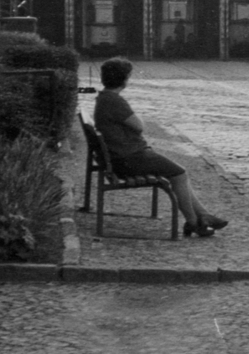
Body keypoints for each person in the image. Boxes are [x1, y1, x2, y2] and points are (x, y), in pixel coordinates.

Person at [92, 57, 227, 237]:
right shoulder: (115, 101)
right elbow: (139, 126)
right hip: (129, 158)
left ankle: (203, 216)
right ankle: (193, 222)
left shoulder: (104, 98)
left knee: (179, 173)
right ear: (124, 79)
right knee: (179, 174)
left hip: (123, 156)